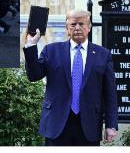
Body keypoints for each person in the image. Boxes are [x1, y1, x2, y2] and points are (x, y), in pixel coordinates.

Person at [23, 10, 118, 146]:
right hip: (56, 124)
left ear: (89, 27)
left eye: (81, 24)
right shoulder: (51, 51)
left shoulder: (103, 55)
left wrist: (111, 125)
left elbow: (110, 93)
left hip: (89, 125)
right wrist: (31, 45)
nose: (77, 28)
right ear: (67, 28)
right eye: (73, 24)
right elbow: (33, 76)